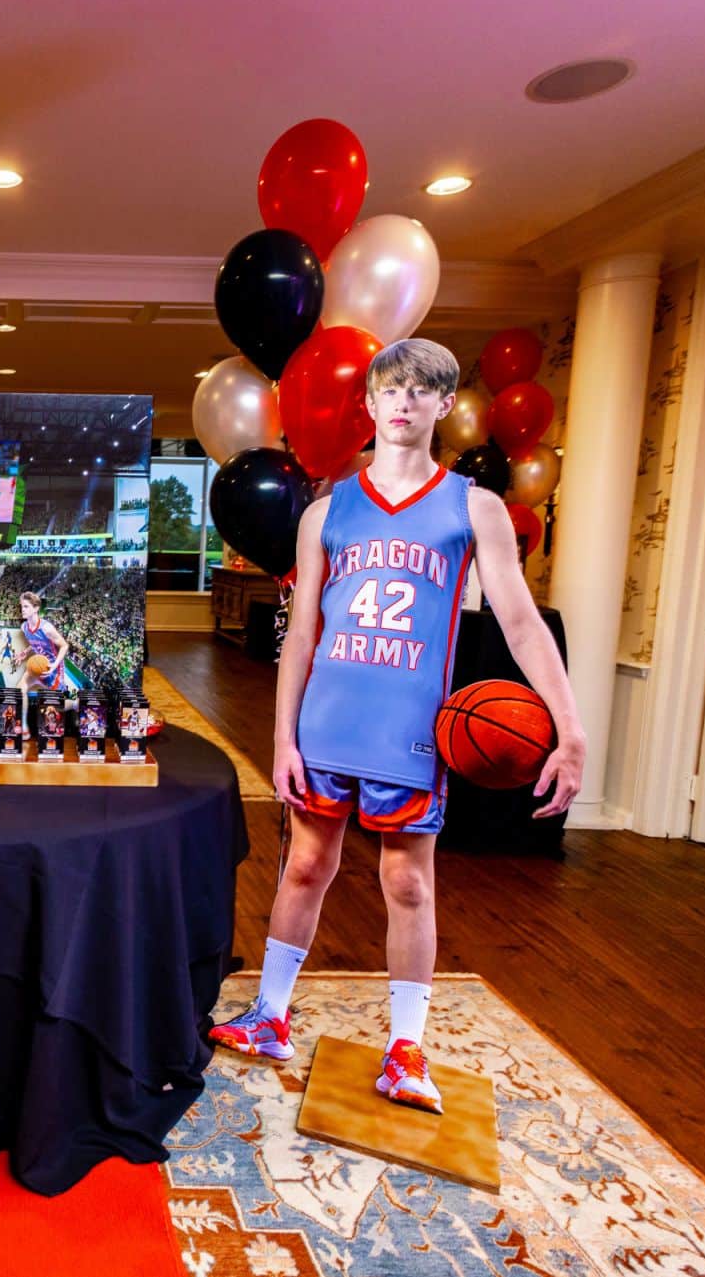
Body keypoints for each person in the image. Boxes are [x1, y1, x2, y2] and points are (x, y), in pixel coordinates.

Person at [208, 339, 585, 1115]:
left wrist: (569, 726)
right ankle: (271, 1015)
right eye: (392, 388)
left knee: (408, 879)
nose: (405, 401)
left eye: (423, 390)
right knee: (305, 867)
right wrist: (281, 737)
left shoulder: (472, 506)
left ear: (445, 405)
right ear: (370, 404)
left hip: (408, 730)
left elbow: (517, 616)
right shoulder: (326, 511)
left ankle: (406, 1048)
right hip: (327, 720)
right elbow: (303, 634)